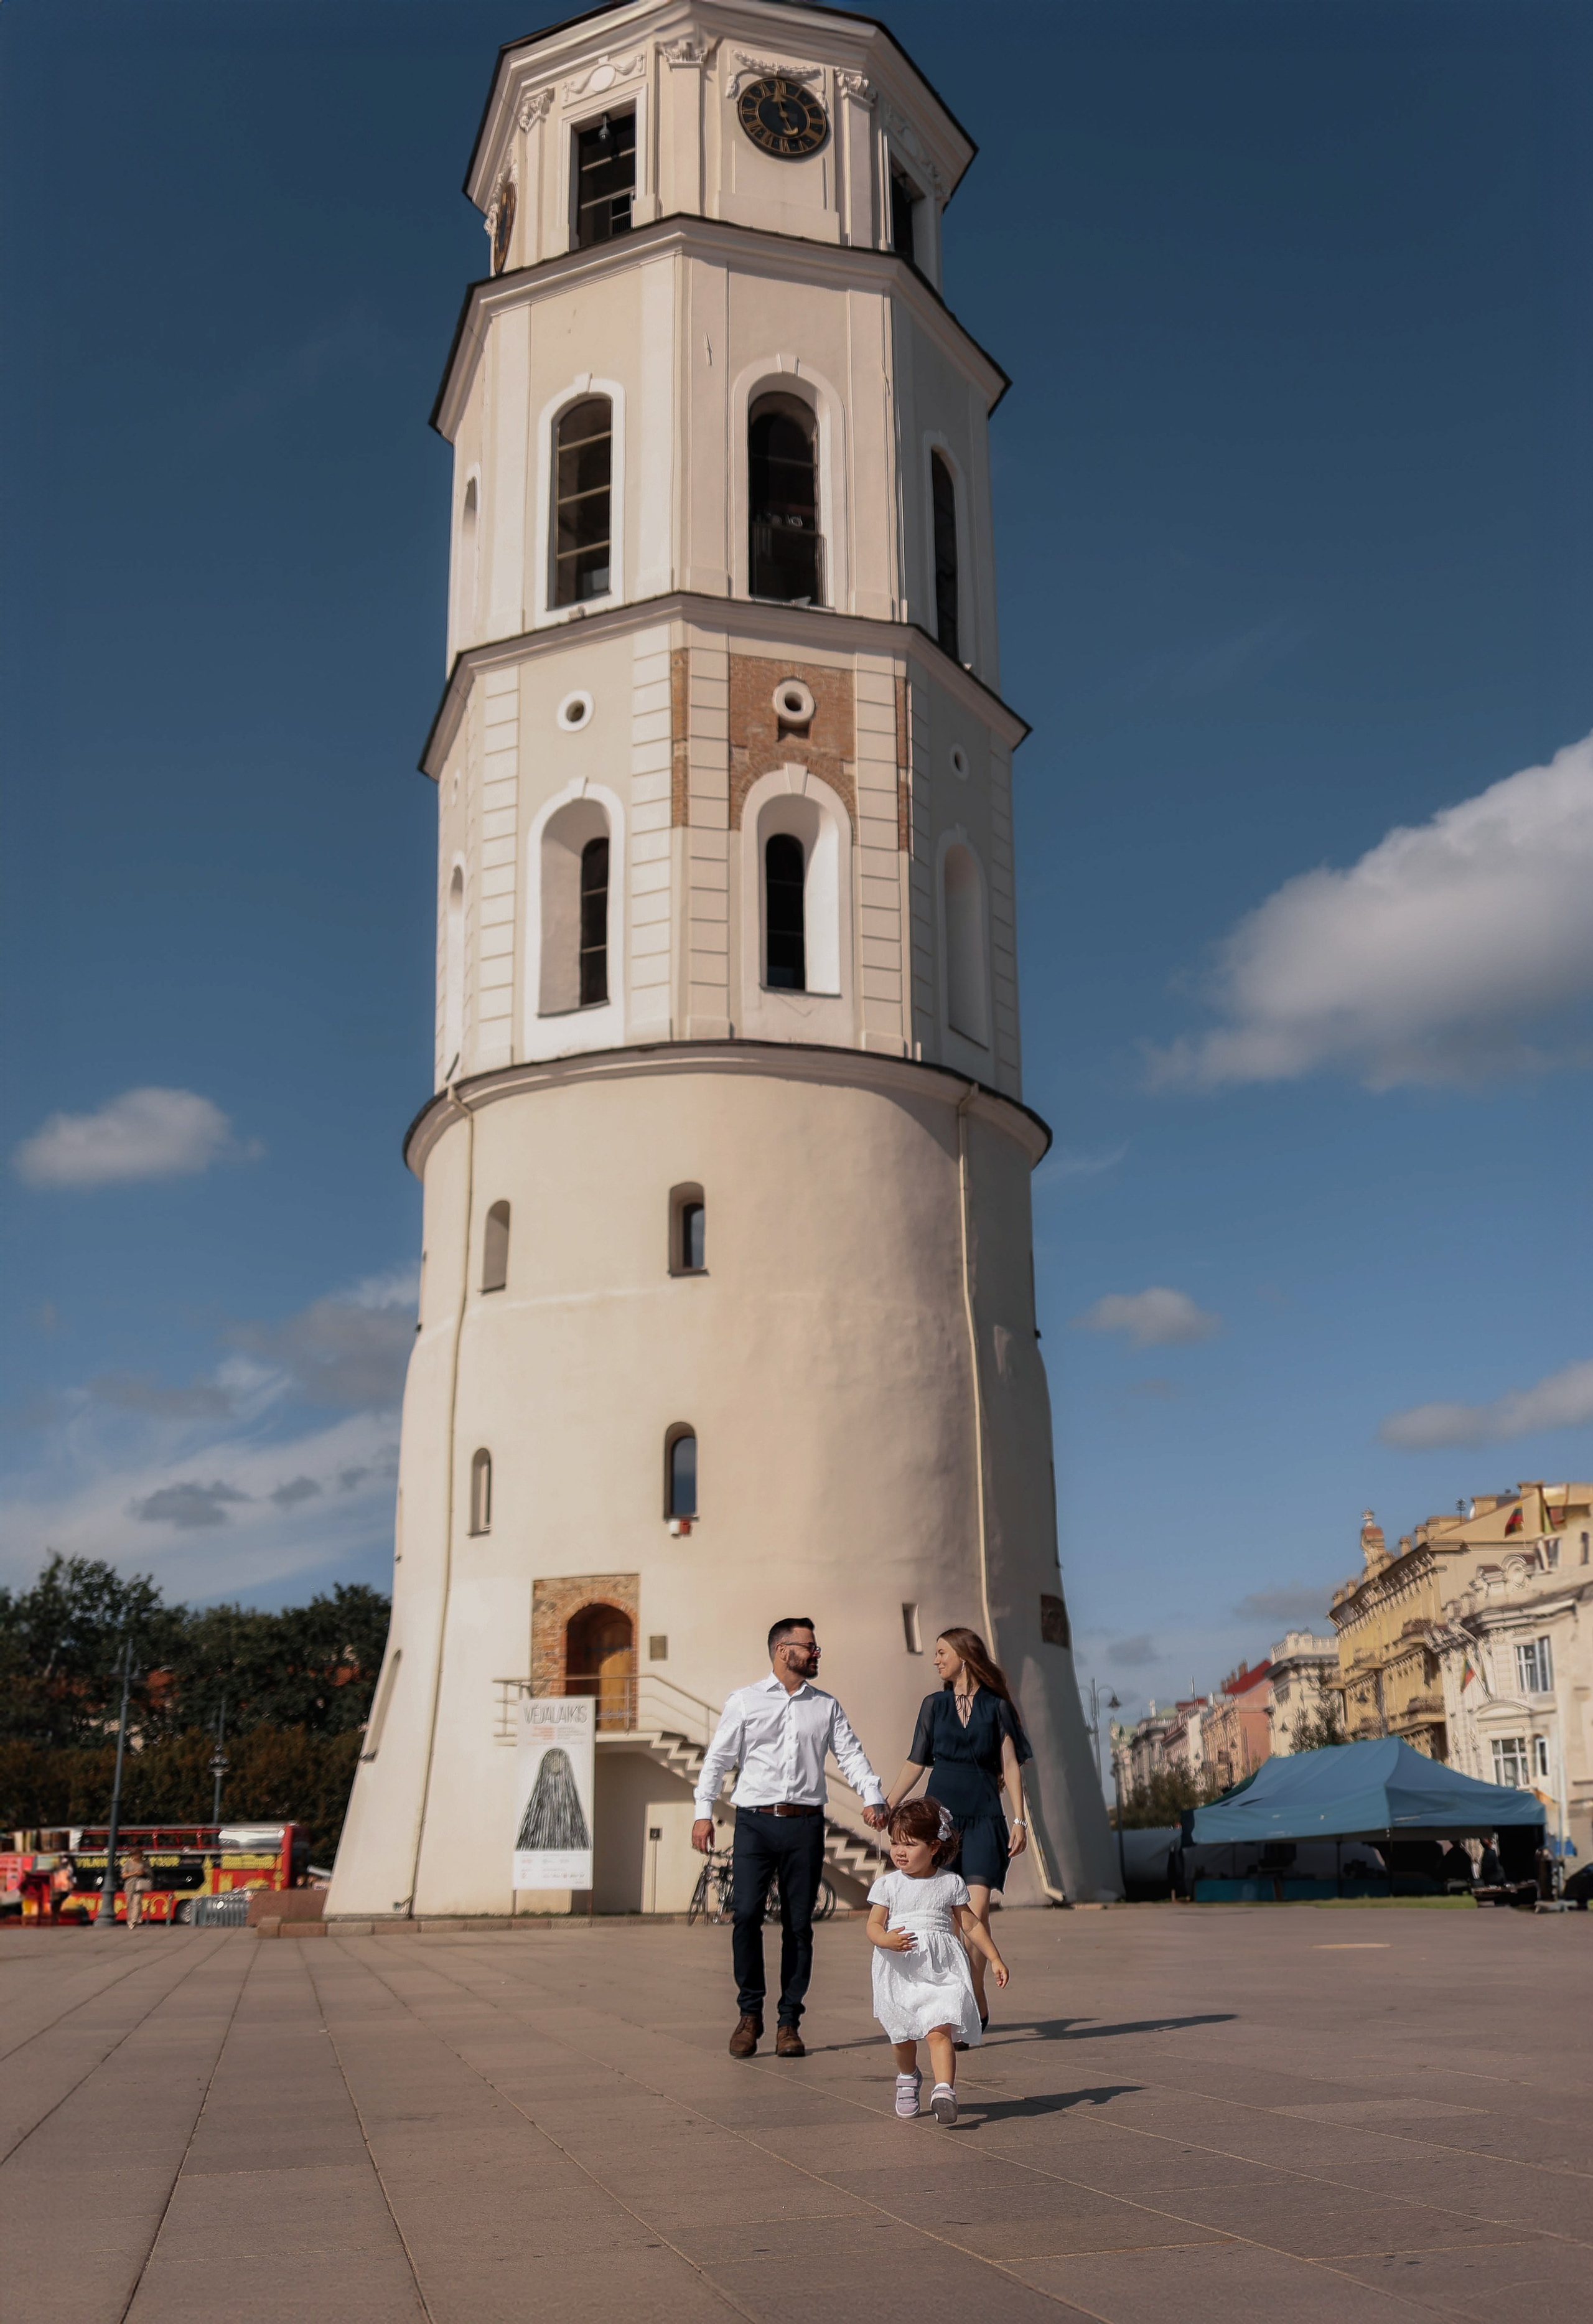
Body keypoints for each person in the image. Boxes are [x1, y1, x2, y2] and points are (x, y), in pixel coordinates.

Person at [693, 1616, 888, 2059]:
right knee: (745, 1915)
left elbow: (851, 1754)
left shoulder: (826, 1706)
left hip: (804, 1825)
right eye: (810, 1647)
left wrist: (872, 1795)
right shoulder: (743, 1702)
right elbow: (717, 1760)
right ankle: (750, 2013)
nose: (816, 1653)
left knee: (798, 1926)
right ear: (784, 1651)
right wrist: (703, 1813)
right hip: (755, 1822)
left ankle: (788, 2022)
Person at [881, 1626, 1031, 2031]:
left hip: (986, 1819)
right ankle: (965, 2001)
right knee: (951, 1918)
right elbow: (916, 1761)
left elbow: (1011, 1765)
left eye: (942, 1653)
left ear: (964, 1657)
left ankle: (973, 1993)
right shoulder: (934, 1706)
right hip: (941, 1821)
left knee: (975, 1910)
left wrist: (1019, 1819)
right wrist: (888, 1803)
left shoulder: (997, 1708)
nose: (935, 1661)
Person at [867, 1797, 1008, 2126]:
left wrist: (995, 1957)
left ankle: (944, 2090)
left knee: (939, 2029)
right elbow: (873, 1925)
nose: (899, 1851)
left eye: (909, 1844)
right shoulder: (887, 1885)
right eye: (895, 1843)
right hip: (901, 1970)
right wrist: (885, 1939)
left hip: (941, 1969)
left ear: (934, 1846)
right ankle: (908, 2076)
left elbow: (971, 1924)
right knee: (901, 2037)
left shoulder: (950, 1883)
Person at [121, 1845, 154, 1929]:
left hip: (139, 1885)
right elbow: (123, 1875)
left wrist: (143, 1872)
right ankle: (129, 1921)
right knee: (129, 1904)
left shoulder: (144, 1863)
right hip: (129, 1885)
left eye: (137, 1854)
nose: (136, 1856)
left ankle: (134, 1920)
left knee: (137, 1902)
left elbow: (150, 1874)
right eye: (134, 1855)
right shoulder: (128, 1863)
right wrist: (134, 1873)